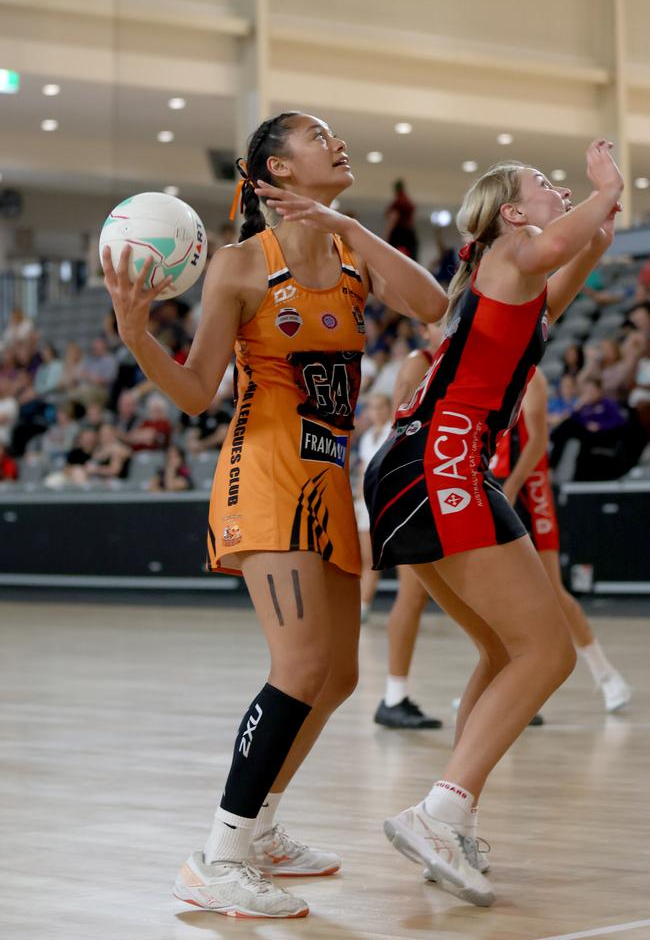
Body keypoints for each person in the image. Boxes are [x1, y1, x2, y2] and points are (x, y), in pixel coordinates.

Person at [101, 110, 447, 919]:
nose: (338, 142)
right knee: (298, 667)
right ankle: (217, 854)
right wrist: (133, 333)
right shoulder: (237, 266)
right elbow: (193, 394)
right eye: (317, 136)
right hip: (264, 472)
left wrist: (345, 225)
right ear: (276, 173)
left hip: (328, 482)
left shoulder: (352, 249)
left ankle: (262, 829)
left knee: (341, 675)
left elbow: (433, 303)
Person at [364, 140, 623, 907]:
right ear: (511, 211)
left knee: (501, 648)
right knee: (547, 656)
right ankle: (441, 810)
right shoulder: (510, 252)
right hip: (440, 463)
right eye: (543, 184)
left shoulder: (522, 288)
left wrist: (601, 212)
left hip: (430, 465)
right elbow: (560, 238)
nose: (559, 189)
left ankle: (452, 811)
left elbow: (580, 254)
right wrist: (606, 184)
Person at [491, 367, 631, 712]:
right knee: (497, 595)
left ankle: (606, 674)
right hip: (494, 484)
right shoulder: (484, 372)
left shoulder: (530, 376)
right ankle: (503, 685)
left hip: (527, 489)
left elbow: (538, 441)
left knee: (553, 590)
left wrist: (509, 489)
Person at [372, 323, 444, 730]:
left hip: (438, 484)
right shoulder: (420, 364)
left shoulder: (448, 360)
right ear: (423, 329)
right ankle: (393, 696)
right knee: (412, 594)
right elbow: (400, 432)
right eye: (439, 320)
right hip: (413, 488)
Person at [355, 393, 393, 623]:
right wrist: (359, 498)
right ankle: (361, 605)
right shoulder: (368, 436)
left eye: (380, 407)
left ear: (388, 408)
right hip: (365, 503)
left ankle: (364, 606)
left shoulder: (392, 431)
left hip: (383, 501)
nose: (376, 411)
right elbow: (362, 472)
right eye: (372, 407)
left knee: (371, 557)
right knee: (364, 557)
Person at [385, 179, 419, 260]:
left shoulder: (398, 202)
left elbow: (393, 218)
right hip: (410, 233)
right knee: (411, 257)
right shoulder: (407, 200)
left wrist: (387, 234)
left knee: (396, 256)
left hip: (400, 234)